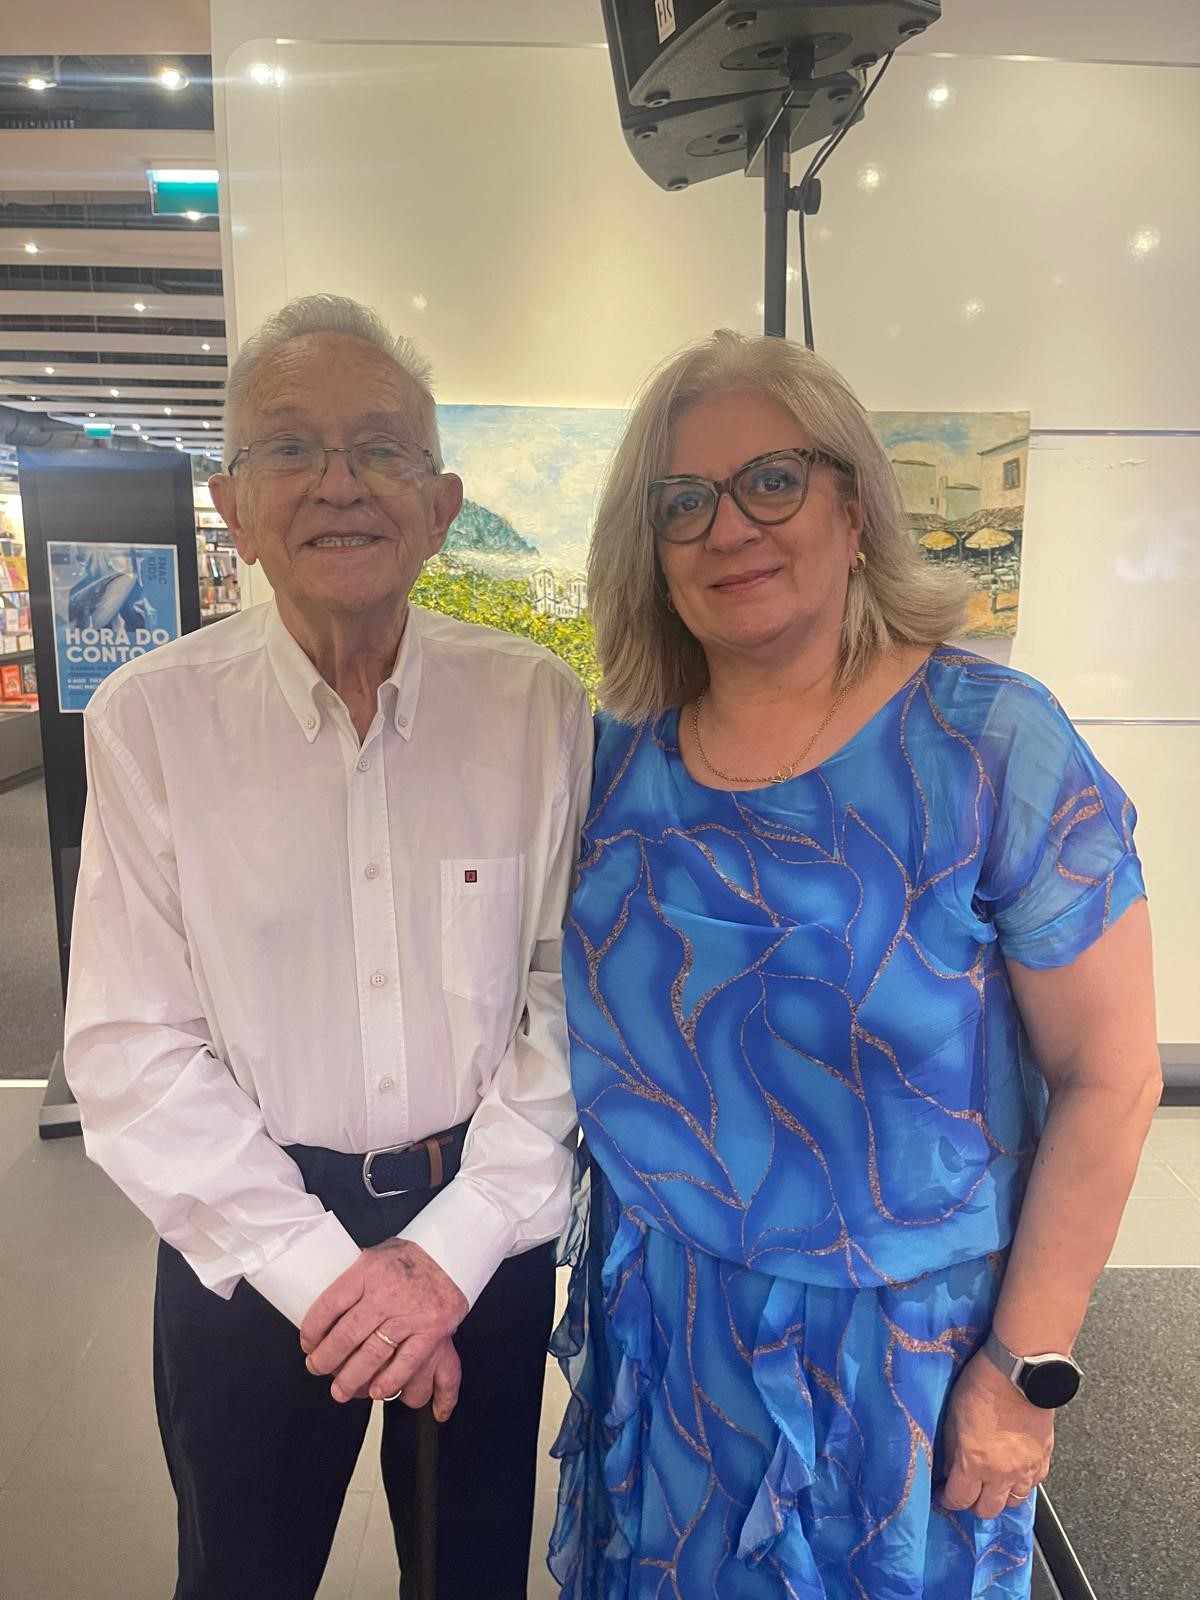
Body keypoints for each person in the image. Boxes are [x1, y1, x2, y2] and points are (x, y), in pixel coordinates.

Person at [549, 330, 1161, 1600]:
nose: (729, 528)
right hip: (667, 1361)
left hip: (904, 1384)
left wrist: (1027, 1369)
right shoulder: (615, 766)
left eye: (770, 480)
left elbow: (1111, 1078)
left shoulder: (991, 748)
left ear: (851, 501)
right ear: (648, 550)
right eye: (683, 503)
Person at [64, 294, 592, 1600]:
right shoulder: (151, 722)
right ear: (232, 504)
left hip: (486, 1235)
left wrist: (449, 1251)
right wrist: (327, 1278)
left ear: (443, 500)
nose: (339, 483)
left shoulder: (536, 708)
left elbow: (566, 1003)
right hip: (244, 1252)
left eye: (382, 449)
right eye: (290, 447)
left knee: (471, 1580)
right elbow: (132, 1043)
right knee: (240, 1575)